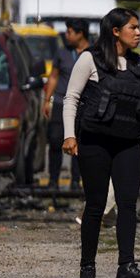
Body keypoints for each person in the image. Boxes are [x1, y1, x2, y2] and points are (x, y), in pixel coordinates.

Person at [63, 7, 140, 278]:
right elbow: (71, 99)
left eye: (139, 28)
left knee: (127, 204)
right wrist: (69, 136)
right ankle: (87, 268)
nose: (139, 33)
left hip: (128, 143)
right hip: (96, 142)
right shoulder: (90, 59)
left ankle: (126, 267)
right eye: (133, 28)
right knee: (95, 205)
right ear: (116, 32)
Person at [42, 19, 90, 191]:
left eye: (70, 32)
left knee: (80, 143)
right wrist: (47, 100)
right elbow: (54, 76)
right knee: (55, 140)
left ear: (80, 33)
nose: (67, 35)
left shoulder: (92, 53)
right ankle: (53, 180)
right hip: (62, 103)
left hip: (84, 106)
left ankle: (76, 181)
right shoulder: (62, 53)